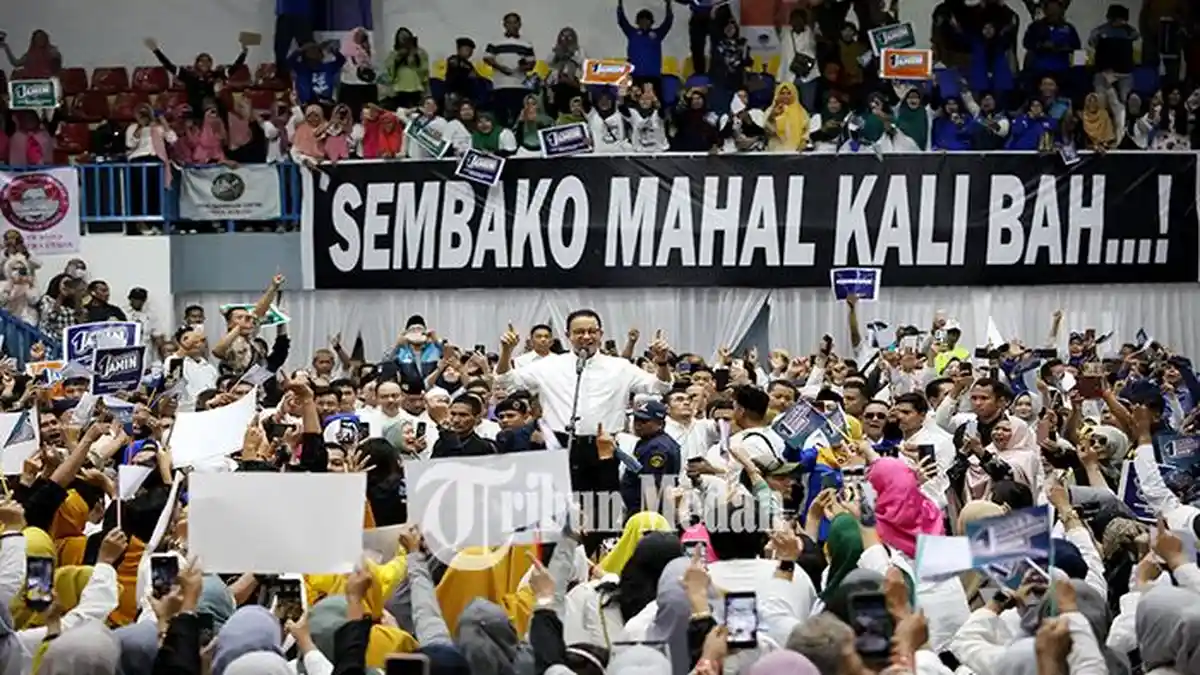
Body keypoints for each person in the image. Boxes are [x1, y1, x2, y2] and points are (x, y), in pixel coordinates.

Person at [495, 311, 673, 547]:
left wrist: (662, 361)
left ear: (600, 334)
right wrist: (507, 351)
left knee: (602, 517)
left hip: (603, 448)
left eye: (592, 331)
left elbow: (660, 386)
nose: (586, 337)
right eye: (579, 332)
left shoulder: (620, 367)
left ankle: (598, 560)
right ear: (568, 335)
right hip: (560, 445)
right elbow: (506, 381)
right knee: (556, 517)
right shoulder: (549, 365)